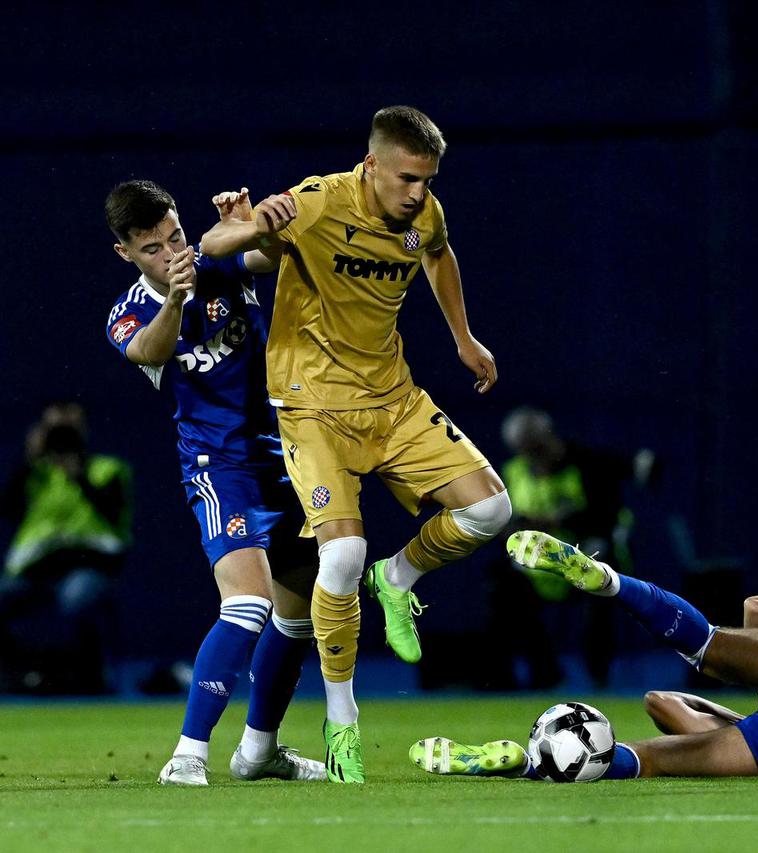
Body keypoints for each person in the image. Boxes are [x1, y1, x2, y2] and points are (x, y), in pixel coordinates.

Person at [199, 106, 512, 783]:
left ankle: (398, 578)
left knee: (492, 510)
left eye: (427, 179)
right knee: (339, 552)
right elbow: (217, 249)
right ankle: (342, 721)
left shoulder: (423, 212)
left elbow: (439, 252)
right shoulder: (316, 203)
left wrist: (463, 337)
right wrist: (253, 221)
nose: (417, 193)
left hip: (391, 400)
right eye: (405, 178)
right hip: (311, 406)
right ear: (370, 166)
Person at [104, 180, 324, 786]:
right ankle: (188, 755)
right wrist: (174, 298)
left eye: (174, 236)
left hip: (282, 459)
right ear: (126, 253)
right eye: (152, 248)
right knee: (247, 602)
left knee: (301, 612)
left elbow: (277, 253)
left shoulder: (217, 262)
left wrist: (252, 226)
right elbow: (149, 351)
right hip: (216, 467)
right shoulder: (130, 312)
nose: (171, 253)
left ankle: (259, 751)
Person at [409, 529, 758, 780]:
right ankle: (527, 764)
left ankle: (611, 582)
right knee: (646, 758)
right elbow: (664, 703)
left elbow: (663, 699)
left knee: (702, 644)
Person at [488, 406, 652, 688]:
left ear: (551, 438)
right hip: (539, 568)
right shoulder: (513, 472)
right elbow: (501, 523)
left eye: (539, 449)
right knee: (500, 585)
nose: (535, 458)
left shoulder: (590, 465)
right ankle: (540, 672)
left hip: (587, 559)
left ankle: (598, 673)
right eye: (527, 452)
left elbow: (606, 517)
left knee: (602, 584)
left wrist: (559, 520)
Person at [0, 401, 131, 694]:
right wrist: (29, 458)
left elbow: (112, 510)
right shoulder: (36, 475)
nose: (61, 435)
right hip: (35, 570)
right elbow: (9, 509)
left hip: (88, 565)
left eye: (68, 428)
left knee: (76, 598)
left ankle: (88, 678)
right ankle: (21, 675)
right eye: (54, 429)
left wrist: (78, 473)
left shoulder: (106, 468)